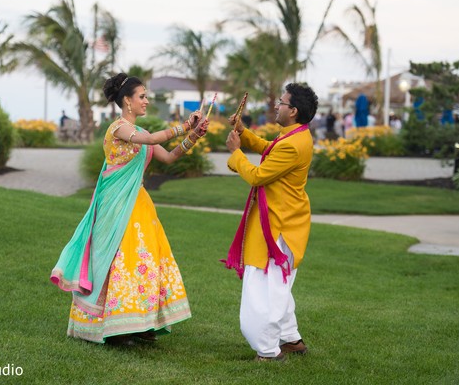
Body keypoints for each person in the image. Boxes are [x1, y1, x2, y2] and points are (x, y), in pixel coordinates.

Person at [51, 72, 208, 345]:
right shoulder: (119, 129)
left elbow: (169, 157)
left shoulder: (142, 132)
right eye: (142, 97)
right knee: (118, 260)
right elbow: (149, 141)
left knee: (142, 261)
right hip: (116, 205)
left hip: (139, 204)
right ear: (127, 101)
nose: (146, 101)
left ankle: (139, 323)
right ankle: (114, 327)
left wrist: (194, 135)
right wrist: (184, 125)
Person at [223, 82, 318, 362]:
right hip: (283, 221)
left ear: (294, 111)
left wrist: (235, 153)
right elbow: (268, 149)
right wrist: (243, 132)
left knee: (263, 290)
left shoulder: (293, 144)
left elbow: (258, 175)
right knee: (277, 286)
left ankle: (268, 350)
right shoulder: (294, 136)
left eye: (282, 102)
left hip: (277, 227)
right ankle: (291, 340)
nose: (277, 106)